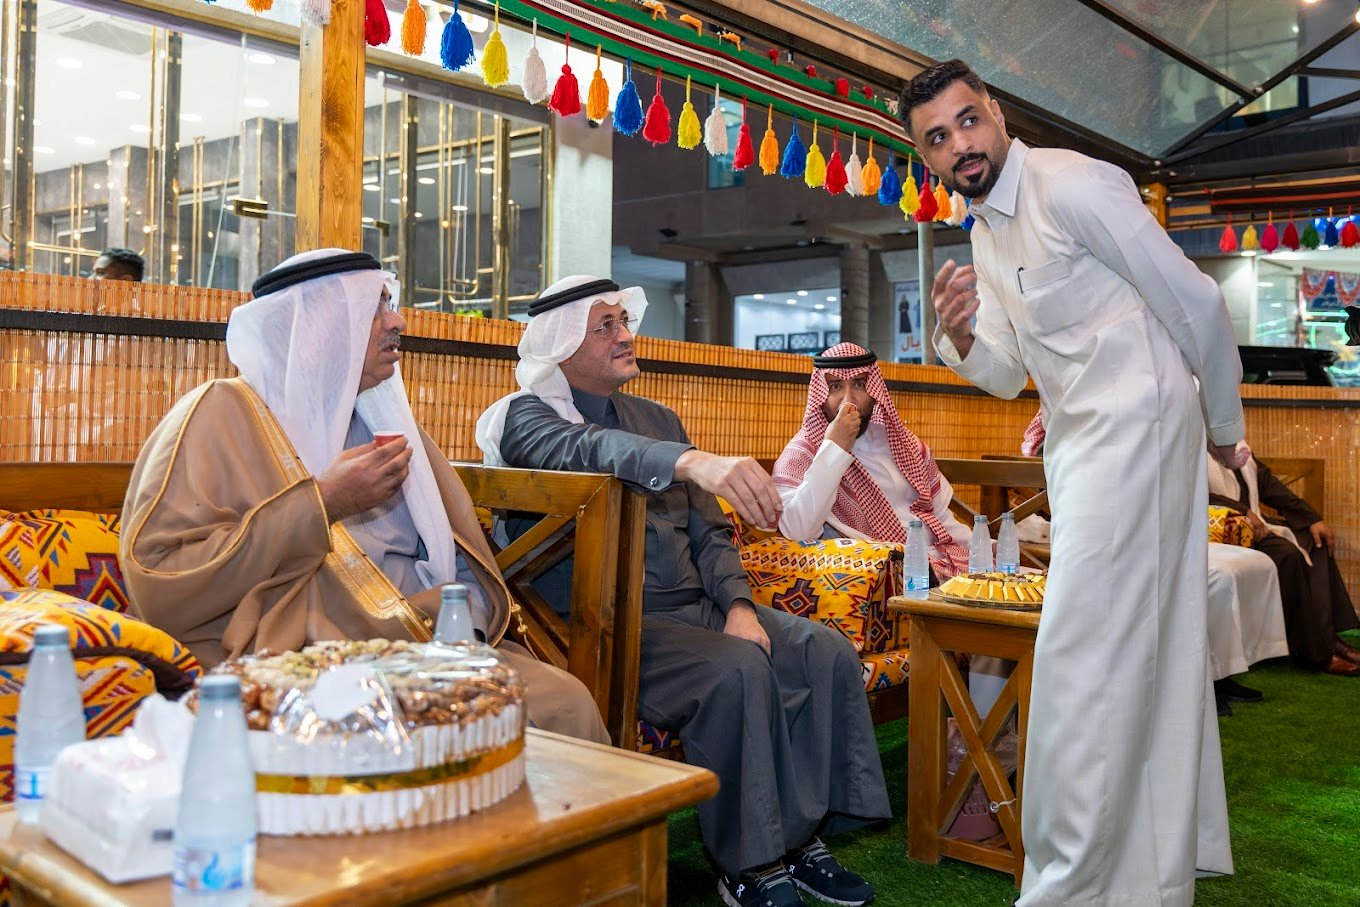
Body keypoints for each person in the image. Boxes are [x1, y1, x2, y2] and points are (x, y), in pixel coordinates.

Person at [903, 59, 1246, 904]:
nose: (959, 144)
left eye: (967, 120)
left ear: (997, 112)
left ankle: (1065, 887)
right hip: (1083, 450)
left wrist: (1226, 432)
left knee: (1076, 663)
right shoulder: (983, 233)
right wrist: (957, 336)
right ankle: (1153, 873)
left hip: (1143, 434)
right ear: (927, 157)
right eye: (937, 138)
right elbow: (1004, 373)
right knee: (1147, 648)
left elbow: (1196, 303)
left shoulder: (1076, 184)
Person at [477, 275, 890, 907]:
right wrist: (692, 460)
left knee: (823, 650)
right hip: (608, 624)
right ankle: (751, 862)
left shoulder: (659, 419)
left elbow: (710, 534)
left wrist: (740, 607)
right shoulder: (522, 419)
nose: (625, 336)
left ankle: (798, 837)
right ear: (560, 345)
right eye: (605, 326)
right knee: (736, 670)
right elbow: (584, 447)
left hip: (699, 607)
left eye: (624, 321)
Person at [120, 249, 608, 744]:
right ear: (319, 326)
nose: (398, 321)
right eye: (375, 308)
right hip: (303, 658)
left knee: (564, 703)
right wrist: (324, 503)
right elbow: (162, 576)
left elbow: (460, 560)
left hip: (428, 642)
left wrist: (466, 629)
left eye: (389, 304)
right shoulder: (218, 414)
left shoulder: (385, 420)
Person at [1023, 412, 1290, 716]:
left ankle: (1215, 675)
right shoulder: (1066, 434)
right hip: (1105, 534)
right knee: (1183, 581)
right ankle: (1188, 683)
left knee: (1205, 578)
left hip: (1155, 520)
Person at [772, 342, 969, 581]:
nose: (848, 402)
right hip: (879, 577)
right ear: (821, 394)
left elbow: (940, 517)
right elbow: (796, 531)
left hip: (941, 565)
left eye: (859, 385)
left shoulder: (903, 443)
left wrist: (985, 551)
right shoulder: (802, 453)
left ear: (874, 391)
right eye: (835, 386)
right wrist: (834, 449)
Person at [1208, 442, 1360, 676]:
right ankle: (1315, 654)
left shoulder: (1237, 448)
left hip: (1255, 525)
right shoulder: (1191, 446)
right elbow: (1196, 494)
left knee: (1316, 541)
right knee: (1288, 555)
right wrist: (1243, 511)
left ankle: (1328, 637)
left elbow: (1268, 485)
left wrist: (1311, 518)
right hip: (1221, 530)